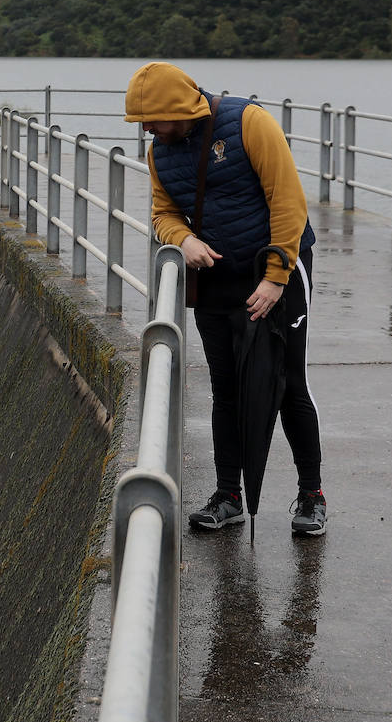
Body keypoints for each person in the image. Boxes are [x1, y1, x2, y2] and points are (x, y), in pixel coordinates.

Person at [124, 61, 327, 536]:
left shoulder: (249, 123)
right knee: (225, 387)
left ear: (178, 107)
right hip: (216, 278)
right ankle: (228, 495)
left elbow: (289, 202)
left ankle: (312, 494)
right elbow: (163, 211)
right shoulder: (161, 153)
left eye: (151, 120)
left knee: (287, 382)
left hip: (278, 268)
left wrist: (276, 278)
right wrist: (182, 239)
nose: (147, 130)